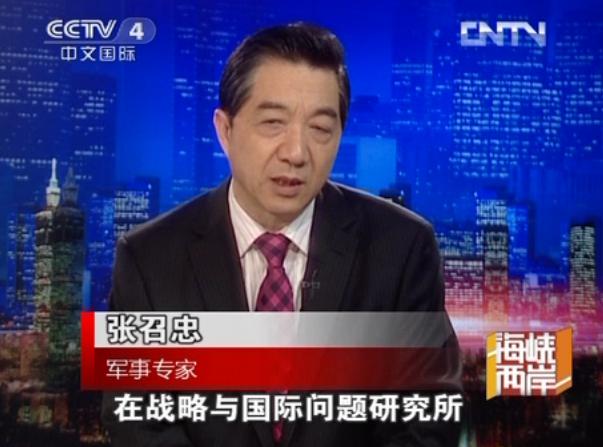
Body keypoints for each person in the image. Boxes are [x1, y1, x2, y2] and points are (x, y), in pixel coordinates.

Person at [102, 22, 462, 447]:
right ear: (225, 130)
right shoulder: (148, 259)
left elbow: (426, 419)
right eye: (273, 122)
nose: (296, 153)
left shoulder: (402, 248)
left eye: (320, 129)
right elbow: (138, 420)